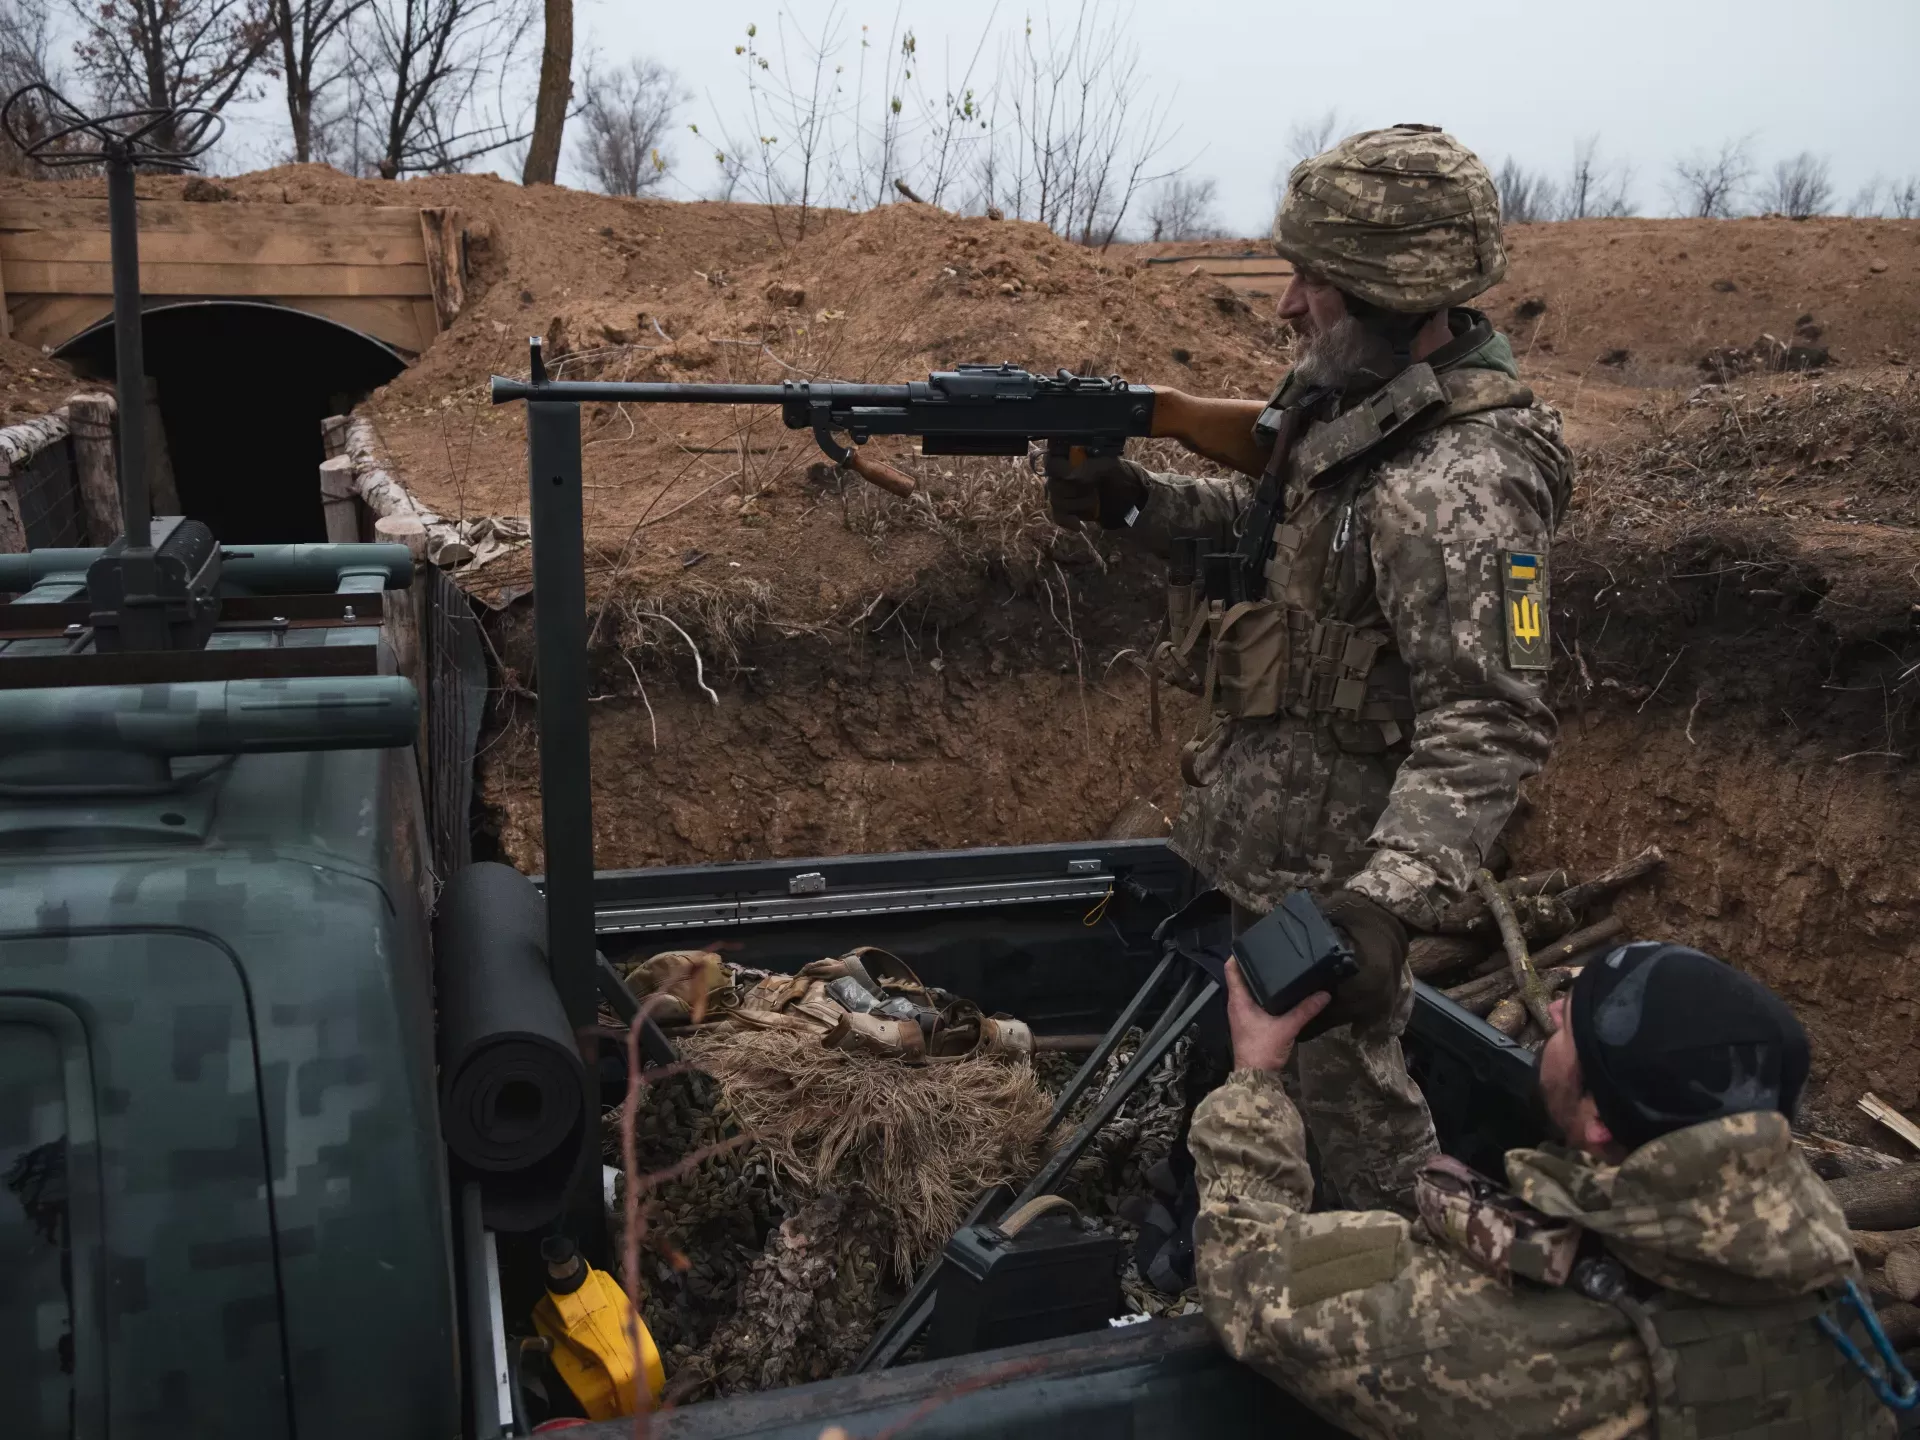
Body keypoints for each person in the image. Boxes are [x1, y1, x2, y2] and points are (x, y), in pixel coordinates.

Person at [1047, 124, 1575, 1218]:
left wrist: (1377, 915)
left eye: (1313, 283)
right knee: (1251, 1089)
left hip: (1338, 886)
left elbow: (1490, 721)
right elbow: (1265, 540)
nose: (1288, 306)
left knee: (1358, 1126)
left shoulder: (1465, 481)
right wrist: (1129, 498)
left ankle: (1401, 1304)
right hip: (1259, 846)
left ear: (1388, 296)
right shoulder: (1348, 404)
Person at [1190, 940, 1898, 1437]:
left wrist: (1255, 1072)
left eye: (1574, 1028)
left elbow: (1247, 1271)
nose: (1555, 1011)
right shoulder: (1828, 1287)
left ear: (1595, 1122)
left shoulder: (1496, 1332)